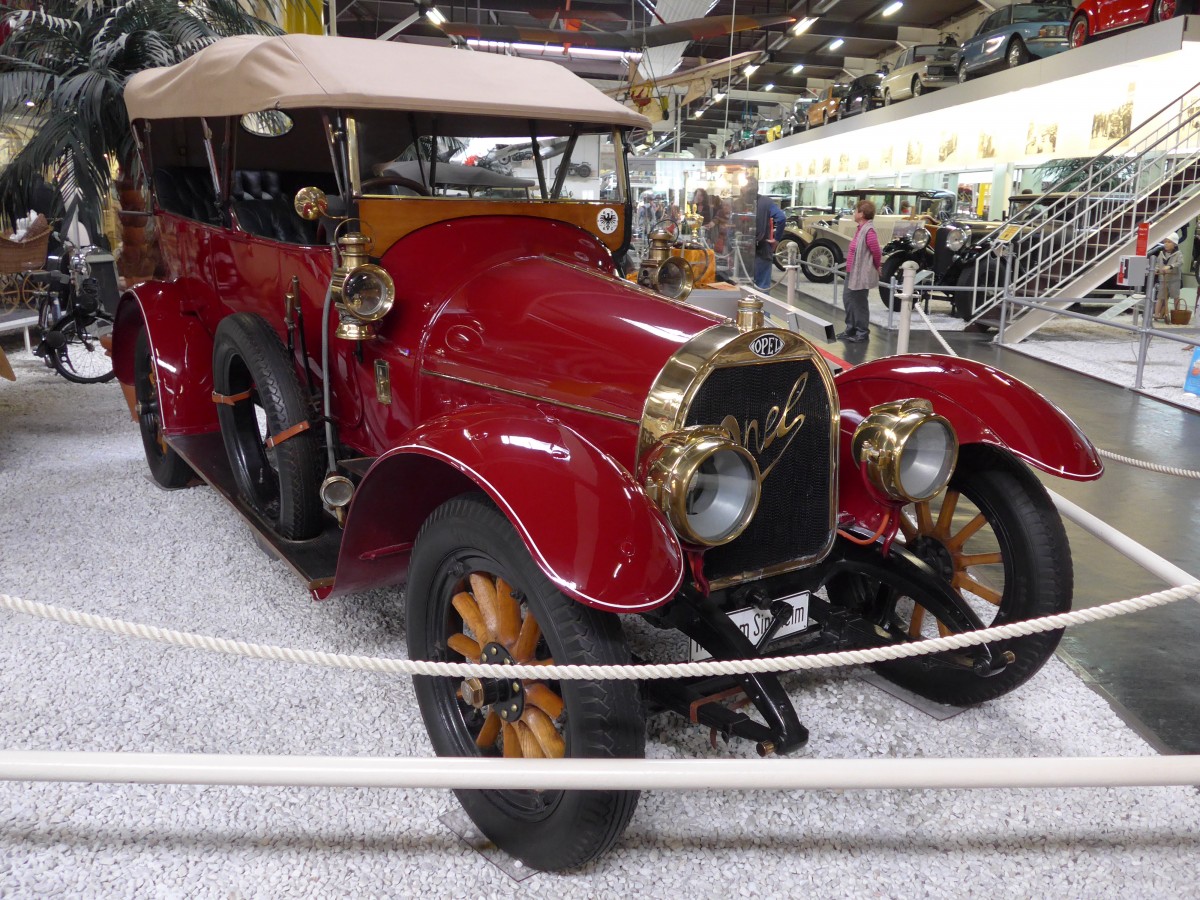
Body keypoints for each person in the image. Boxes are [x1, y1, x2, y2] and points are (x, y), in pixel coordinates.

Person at [839, 199, 881, 343]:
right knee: (848, 300)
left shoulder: (868, 231)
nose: (854, 213)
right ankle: (850, 328)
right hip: (852, 272)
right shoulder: (860, 230)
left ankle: (862, 332)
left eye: (856, 210)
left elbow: (876, 250)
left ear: (862, 214)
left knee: (859, 302)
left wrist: (877, 266)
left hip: (860, 273)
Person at [752, 188, 786, 291]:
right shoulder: (767, 202)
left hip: (743, 252)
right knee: (763, 288)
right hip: (762, 249)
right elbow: (781, 218)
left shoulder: (739, 203)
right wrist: (776, 239)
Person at [1154, 232, 1183, 322]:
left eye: (1169, 242)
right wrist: (1157, 270)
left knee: (1175, 296)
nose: (1166, 244)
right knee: (1160, 297)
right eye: (1165, 241)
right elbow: (1158, 264)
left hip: (1174, 279)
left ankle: (1177, 314)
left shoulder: (1178, 254)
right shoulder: (1161, 254)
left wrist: (1170, 266)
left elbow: (1180, 262)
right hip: (1163, 279)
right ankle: (1156, 314)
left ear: (1174, 244)